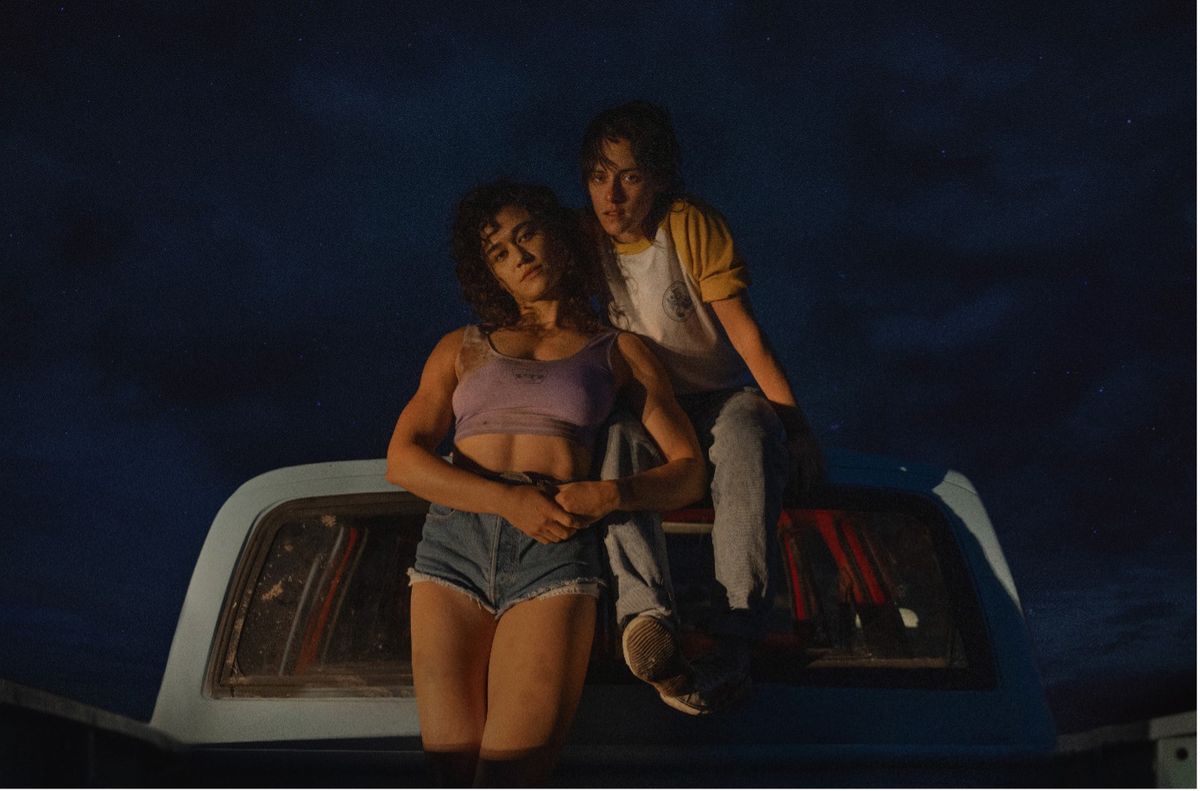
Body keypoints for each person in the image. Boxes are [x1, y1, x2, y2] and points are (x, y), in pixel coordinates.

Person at [386, 180, 705, 786]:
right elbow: (402, 460)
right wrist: (507, 500)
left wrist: (611, 495)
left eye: (527, 234)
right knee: (450, 774)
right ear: (490, 274)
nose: (519, 256)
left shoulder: (619, 350)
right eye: (499, 252)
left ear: (558, 236)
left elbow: (688, 470)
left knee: (512, 776)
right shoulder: (461, 347)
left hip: (553, 551)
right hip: (453, 546)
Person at [581, 101, 825, 715]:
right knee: (616, 442)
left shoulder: (688, 225)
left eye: (630, 176)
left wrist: (796, 429)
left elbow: (746, 337)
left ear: (658, 178)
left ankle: (737, 628)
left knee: (748, 431)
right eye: (599, 176)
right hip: (645, 404)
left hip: (716, 397)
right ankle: (645, 618)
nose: (611, 195)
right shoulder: (583, 242)